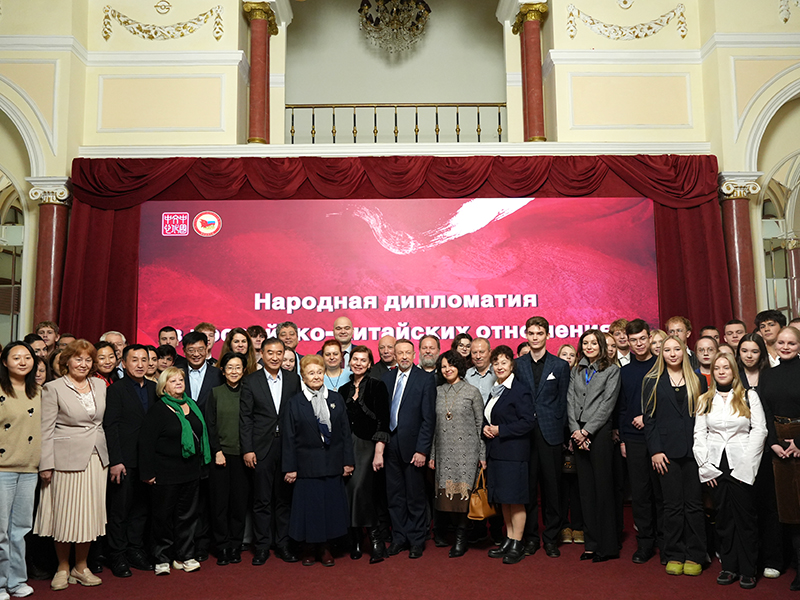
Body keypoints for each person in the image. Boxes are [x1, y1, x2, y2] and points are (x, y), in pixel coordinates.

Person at [35, 340, 109, 590]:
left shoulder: (100, 384)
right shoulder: (53, 388)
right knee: (65, 515)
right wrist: (46, 464)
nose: (83, 364)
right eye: (78, 359)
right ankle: (63, 567)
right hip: (65, 460)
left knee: (89, 515)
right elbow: (45, 429)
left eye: (88, 360)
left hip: (97, 458)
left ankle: (81, 566)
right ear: (67, 361)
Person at [693, 352, 766, 589]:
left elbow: (759, 431)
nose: (722, 371)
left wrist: (746, 469)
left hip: (742, 463)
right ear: (712, 373)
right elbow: (699, 435)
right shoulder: (704, 398)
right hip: (715, 465)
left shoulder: (749, 396)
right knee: (723, 518)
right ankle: (729, 566)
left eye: (726, 367)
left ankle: (748, 568)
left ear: (734, 371)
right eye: (717, 368)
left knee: (745, 518)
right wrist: (705, 467)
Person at [642, 335, 707, 576]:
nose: (671, 353)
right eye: (666, 349)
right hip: (665, 452)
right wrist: (655, 450)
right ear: (661, 353)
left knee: (694, 505)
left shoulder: (698, 378)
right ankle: (674, 554)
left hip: (694, 451)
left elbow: (705, 417)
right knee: (672, 506)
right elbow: (649, 420)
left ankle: (696, 554)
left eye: (676, 349)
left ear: (684, 351)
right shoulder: (652, 380)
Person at [282, 355, 355, 566]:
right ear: (303, 376)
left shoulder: (335, 398)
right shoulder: (295, 403)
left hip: (332, 464)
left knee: (329, 509)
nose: (316, 376)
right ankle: (308, 547)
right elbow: (288, 438)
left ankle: (324, 549)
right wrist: (290, 468)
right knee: (310, 510)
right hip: (306, 466)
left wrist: (348, 461)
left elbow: (344, 433)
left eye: (319, 372)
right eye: (311, 373)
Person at [139, 367, 210, 576]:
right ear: (164, 386)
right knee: (162, 517)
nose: (179, 383)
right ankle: (161, 558)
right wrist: (148, 473)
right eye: (173, 380)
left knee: (187, 516)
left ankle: (185, 556)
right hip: (165, 473)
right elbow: (146, 444)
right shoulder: (158, 410)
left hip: (190, 471)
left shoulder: (193, 405)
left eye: (181, 379)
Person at [239, 338, 300, 565]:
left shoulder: (294, 380)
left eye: (279, 353)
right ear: (261, 355)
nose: (275, 357)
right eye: (270, 353)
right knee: (262, 500)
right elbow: (245, 418)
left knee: (284, 499)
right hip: (260, 447)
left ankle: (283, 544)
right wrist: (248, 449)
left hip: (286, 446)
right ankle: (262, 546)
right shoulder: (251, 381)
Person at [516, 316, 570, 558]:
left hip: (551, 433)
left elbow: (564, 400)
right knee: (527, 489)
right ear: (526, 335)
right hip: (525, 434)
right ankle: (530, 538)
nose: (535, 337)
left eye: (540, 333)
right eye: (531, 333)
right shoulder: (518, 364)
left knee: (553, 489)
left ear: (547, 335)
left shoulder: (559, 366)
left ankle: (551, 537)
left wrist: (564, 432)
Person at [103, 344, 157, 578]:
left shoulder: (156, 388)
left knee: (142, 510)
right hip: (124, 460)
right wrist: (116, 460)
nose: (140, 364)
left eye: (144, 360)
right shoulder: (117, 389)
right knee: (120, 511)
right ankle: (117, 555)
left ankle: (136, 551)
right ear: (123, 363)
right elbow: (110, 426)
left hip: (149, 461)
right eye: (134, 360)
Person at [567, 330, 621, 562]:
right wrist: (575, 431)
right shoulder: (577, 370)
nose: (589, 346)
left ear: (601, 345)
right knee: (585, 491)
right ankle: (591, 544)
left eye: (593, 343)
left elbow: (608, 404)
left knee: (603, 490)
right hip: (578, 433)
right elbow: (569, 400)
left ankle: (607, 546)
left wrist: (587, 431)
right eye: (585, 343)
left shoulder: (611, 370)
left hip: (598, 434)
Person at [382, 339, 436, 559]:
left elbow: (428, 418)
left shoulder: (425, 380)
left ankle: (416, 540)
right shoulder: (386, 379)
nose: (403, 356)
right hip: (390, 446)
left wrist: (422, 450)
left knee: (415, 496)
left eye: (407, 353)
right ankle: (399, 538)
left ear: (414, 354)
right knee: (394, 496)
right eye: (399, 353)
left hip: (414, 448)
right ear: (394, 355)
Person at [428, 350, 484, 558]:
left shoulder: (472, 391)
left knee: (464, 498)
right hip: (444, 452)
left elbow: (480, 425)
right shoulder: (437, 391)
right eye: (443, 366)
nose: (447, 369)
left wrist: (482, 455)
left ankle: (461, 539)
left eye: (451, 365)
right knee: (448, 499)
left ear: (459, 367)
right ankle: (457, 535)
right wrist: (433, 454)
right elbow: (433, 427)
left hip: (467, 453)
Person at [484, 345, 536, 564]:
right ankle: (508, 538)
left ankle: (518, 543)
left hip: (514, 454)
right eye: (496, 363)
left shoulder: (519, 390)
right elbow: (491, 417)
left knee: (515, 500)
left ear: (512, 365)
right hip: (496, 453)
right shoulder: (496, 389)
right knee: (504, 500)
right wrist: (486, 429)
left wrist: (500, 430)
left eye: (504, 362)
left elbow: (527, 422)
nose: (499, 367)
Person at [338, 346, 390, 564]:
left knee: (362, 490)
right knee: (349, 492)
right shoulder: (342, 390)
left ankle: (376, 541)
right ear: (350, 362)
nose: (358, 363)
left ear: (370, 364)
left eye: (363, 360)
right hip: (347, 446)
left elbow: (383, 420)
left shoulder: (377, 386)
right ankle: (356, 540)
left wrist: (379, 452)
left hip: (369, 447)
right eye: (355, 359)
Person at [736, 331, 781, 579]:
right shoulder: (733, 377)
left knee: (770, 505)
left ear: (762, 353)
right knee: (745, 506)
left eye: (754, 351)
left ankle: (772, 558)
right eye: (745, 351)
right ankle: (749, 560)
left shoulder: (771, 377)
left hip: (768, 449)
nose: (749, 355)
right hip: (739, 451)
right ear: (738, 353)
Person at [759, 325, 800, 590]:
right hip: (776, 442)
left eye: (791, 343)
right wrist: (773, 443)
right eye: (781, 343)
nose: (785, 347)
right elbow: (763, 411)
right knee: (784, 507)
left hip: (799, 438)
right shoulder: (767, 375)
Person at [618, 319, 661, 565]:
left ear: (649, 338)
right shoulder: (624, 372)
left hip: (659, 439)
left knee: (662, 492)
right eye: (633, 340)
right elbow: (622, 409)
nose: (638, 344)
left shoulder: (662, 366)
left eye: (642, 339)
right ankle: (644, 543)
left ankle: (666, 541)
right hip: (633, 440)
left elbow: (668, 402)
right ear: (629, 343)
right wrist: (623, 439)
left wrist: (649, 417)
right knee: (640, 494)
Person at [0, 342, 41, 599]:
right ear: (5, 362)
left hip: (29, 468)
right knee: (0, 530)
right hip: (2, 468)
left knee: (21, 528)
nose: (23, 362)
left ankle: (16, 581)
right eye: (16, 357)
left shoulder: (38, 391)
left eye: (27, 357)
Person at [205, 352, 249, 566]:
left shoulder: (250, 393)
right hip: (221, 456)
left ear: (244, 370)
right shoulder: (215, 393)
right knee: (220, 504)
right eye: (229, 367)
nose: (233, 371)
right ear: (222, 370)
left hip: (244, 457)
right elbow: (210, 425)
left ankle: (235, 545)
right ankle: (221, 547)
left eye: (237, 367)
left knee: (239, 504)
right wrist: (217, 450)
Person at [181, 331, 224, 411]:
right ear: (184, 351)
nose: (196, 354)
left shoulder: (218, 374)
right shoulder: (176, 373)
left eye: (200, 349)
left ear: (206, 349)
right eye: (191, 350)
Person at [466, 338, 496, 404]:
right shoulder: (466, 375)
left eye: (482, 352)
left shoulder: (497, 373)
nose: (478, 356)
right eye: (474, 353)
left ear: (490, 352)